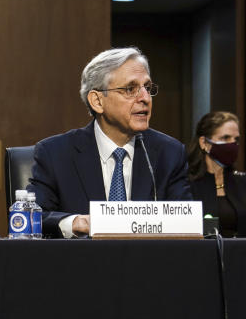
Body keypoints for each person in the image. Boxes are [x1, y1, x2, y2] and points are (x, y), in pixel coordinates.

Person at [28, 47, 192, 238]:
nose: (145, 98)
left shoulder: (169, 153)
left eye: (147, 88)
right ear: (97, 101)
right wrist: (74, 222)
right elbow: (30, 217)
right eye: (130, 89)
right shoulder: (55, 153)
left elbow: (186, 225)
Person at [186, 111, 246, 238]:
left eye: (236, 139)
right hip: (204, 256)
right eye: (225, 138)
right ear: (204, 143)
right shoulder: (186, 186)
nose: (232, 144)